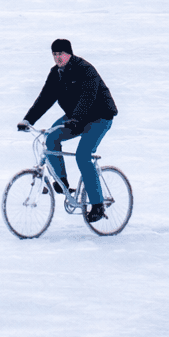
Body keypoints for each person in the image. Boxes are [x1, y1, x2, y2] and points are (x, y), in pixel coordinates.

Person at [17, 39, 119, 224]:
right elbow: (44, 99)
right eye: (55, 54)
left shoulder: (85, 69)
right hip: (76, 118)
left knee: (82, 155)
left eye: (61, 54)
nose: (58, 58)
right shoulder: (55, 74)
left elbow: (88, 97)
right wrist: (28, 120)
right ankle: (62, 182)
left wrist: (76, 119)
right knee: (50, 138)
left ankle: (97, 205)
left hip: (100, 116)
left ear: (69, 54)